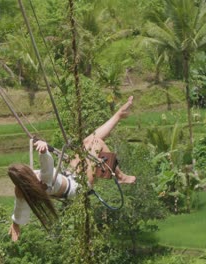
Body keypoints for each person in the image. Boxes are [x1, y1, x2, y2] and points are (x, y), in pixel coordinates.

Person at [8, 96, 136, 241]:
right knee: (97, 143)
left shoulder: (21, 188)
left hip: (69, 175)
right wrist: (44, 152)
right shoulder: (41, 182)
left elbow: (18, 208)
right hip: (78, 186)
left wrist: (15, 224)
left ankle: (119, 115)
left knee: (88, 142)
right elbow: (47, 168)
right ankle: (120, 176)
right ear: (26, 175)